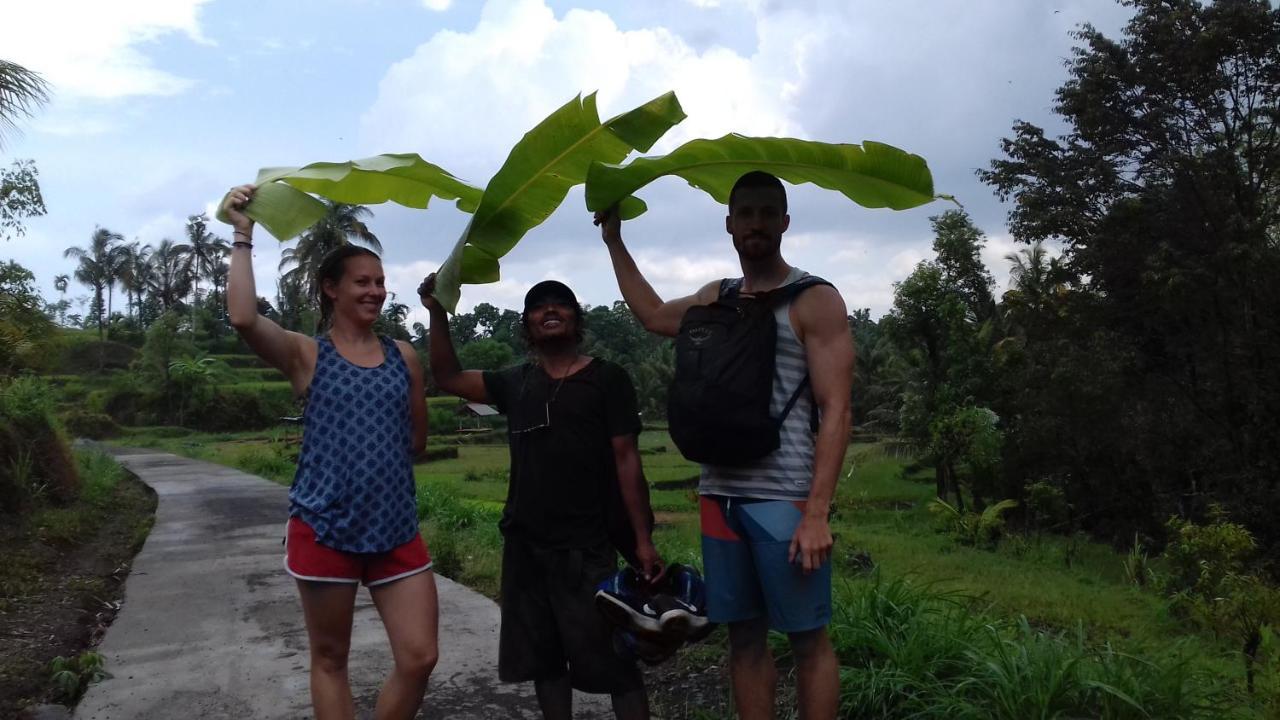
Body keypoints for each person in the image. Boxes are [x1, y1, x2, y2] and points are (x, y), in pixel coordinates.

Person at [594, 170, 855, 720]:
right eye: (746, 214)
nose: (756, 224)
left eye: (767, 213)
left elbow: (837, 411)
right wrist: (615, 241)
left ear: (785, 222)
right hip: (719, 496)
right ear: (730, 225)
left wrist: (817, 512)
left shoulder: (814, 300)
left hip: (784, 499)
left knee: (808, 639)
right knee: (743, 638)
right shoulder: (718, 298)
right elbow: (651, 316)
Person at [222, 184, 438, 720]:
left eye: (381, 282)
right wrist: (242, 234)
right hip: (325, 528)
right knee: (330, 658)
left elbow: (417, 438)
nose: (376, 291)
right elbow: (245, 318)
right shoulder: (305, 354)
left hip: (394, 528)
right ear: (330, 289)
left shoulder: (404, 355)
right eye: (362, 282)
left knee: (420, 656)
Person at [418, 274, 660, 720]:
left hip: (587, 549)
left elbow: (628, 462)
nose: (550, 310)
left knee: (615, 662)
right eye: (538, 306)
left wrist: (643, 540)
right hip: (526, 549)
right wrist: (437, 312)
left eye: (560, 303)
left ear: (576, 318)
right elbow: (448, 376)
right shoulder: (516, 383)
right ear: (527, 326)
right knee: (545, 662)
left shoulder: (608, 379)